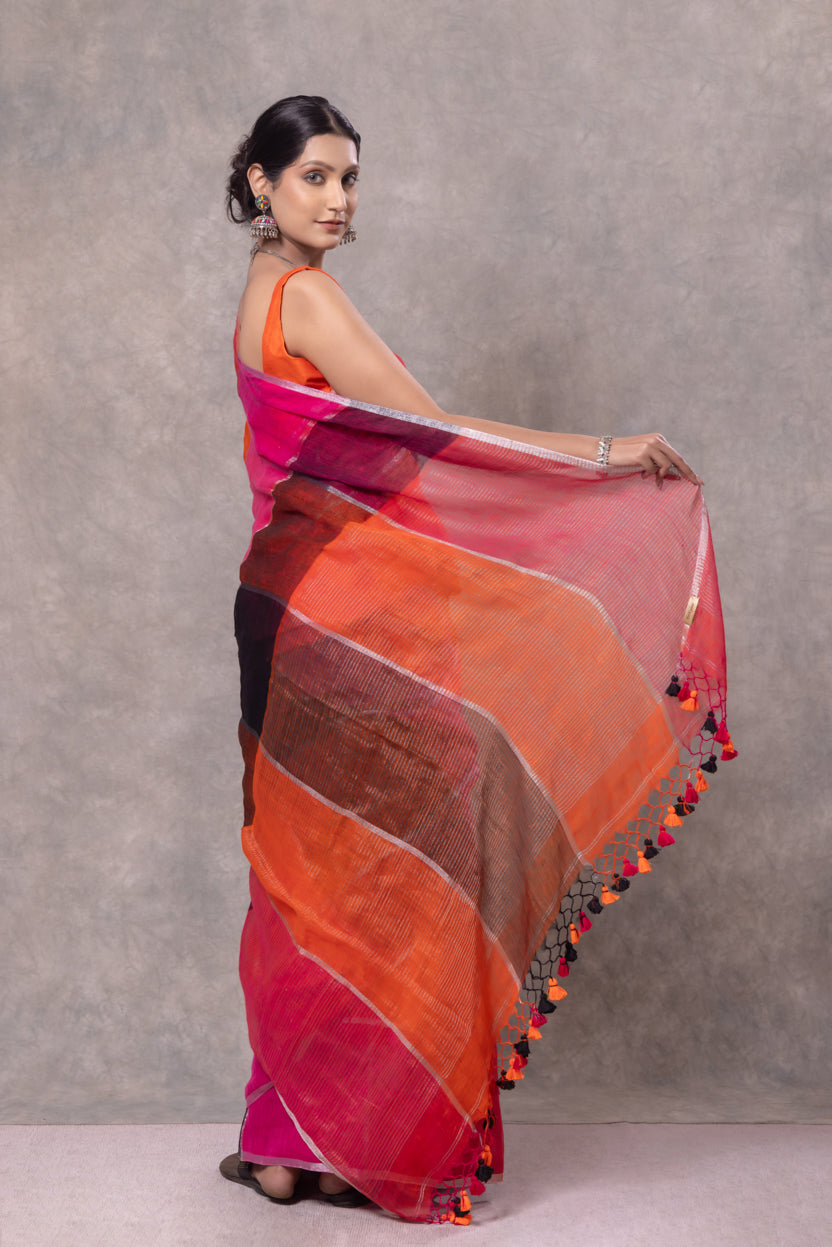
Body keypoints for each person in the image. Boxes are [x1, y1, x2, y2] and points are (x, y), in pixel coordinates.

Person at [219, 96, 723, 1224]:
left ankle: (285, 1146)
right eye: (312, 177)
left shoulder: (259, 292)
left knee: (314, 873)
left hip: (279, 607)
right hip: (344, 619)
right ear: (259, 183)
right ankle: (348, 1138)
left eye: (350, 178)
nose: (337, 200)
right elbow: (443, 435)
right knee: (392, 867)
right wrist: (604, 455)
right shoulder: (309, 298)